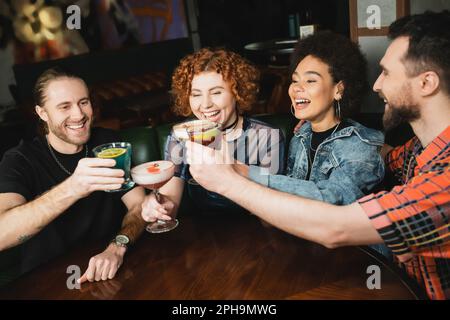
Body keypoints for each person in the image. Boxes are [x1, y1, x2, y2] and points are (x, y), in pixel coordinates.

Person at [185, 11, 450, 300]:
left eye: (386, 73)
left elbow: (336, 225)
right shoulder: (418, 151)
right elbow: (384, 159)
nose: (377, 85)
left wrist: (232, 177)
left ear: (426, 83)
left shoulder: (444, 179)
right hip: (329, 269)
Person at [0, 68, 147, 283]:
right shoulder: (20, 160)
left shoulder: (107, 144)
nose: (79, 115)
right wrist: (73, 188)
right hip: (47, 282)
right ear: (42, 113)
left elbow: (139, 205)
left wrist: (117, 247)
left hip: (111, 270)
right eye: (64, 106)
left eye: (83, 102)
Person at [141, 48, 285, 222]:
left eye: (216, 92)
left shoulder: (267, 137)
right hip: (204, 235)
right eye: (196, 94)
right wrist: (158, 206)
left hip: (257, 232)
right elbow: (170, 202)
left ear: (237, 92)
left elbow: (271, 216)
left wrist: (231, 172)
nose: (205, 104)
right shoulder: (181, 137)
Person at [244, 31, 385, 205]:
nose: (296, 88)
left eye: (310, 81)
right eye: (295, 80)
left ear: (338, 90)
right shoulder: (301, 136)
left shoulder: (358, 145)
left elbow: (334, 198)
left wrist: (247, 174)